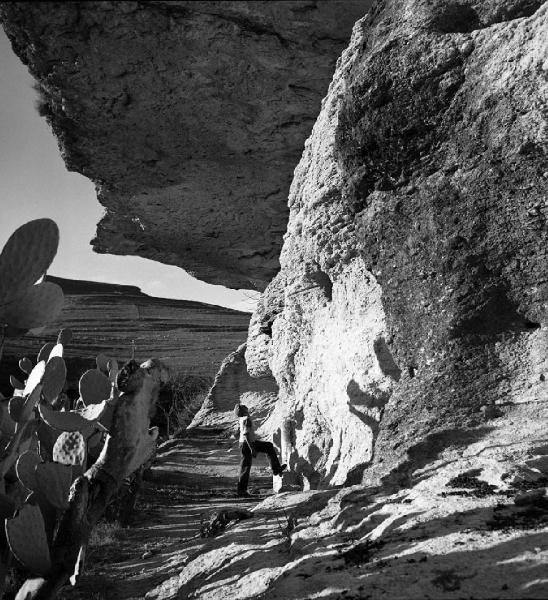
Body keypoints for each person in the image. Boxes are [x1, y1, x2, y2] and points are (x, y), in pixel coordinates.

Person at [235, 403, 286, 497]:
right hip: (247, 444)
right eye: (246, 410)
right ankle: (241, 491)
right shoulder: (246, 419)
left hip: (246, 443)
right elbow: (246, 435)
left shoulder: (242, 419)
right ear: (244, 411)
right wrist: (252, 449)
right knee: (245, 467)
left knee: (268, 447)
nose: (248, 411)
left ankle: (275, 469)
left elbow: (242, 433)